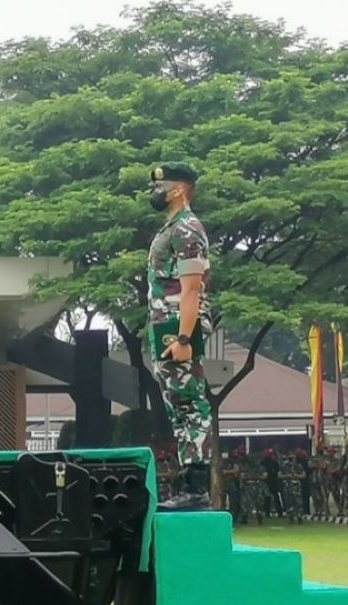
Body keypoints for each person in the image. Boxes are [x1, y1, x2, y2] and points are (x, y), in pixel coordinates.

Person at [146, 162, 213, 509]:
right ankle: (187, 482)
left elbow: (192, 289)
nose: (154, 192)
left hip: (178, 328)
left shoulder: (187, 229)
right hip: (166, 326)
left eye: (161, 186)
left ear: (179, 189)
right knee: (177, 406)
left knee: (190, 404)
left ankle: (196, 487)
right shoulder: (171, 228)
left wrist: (185, 339)